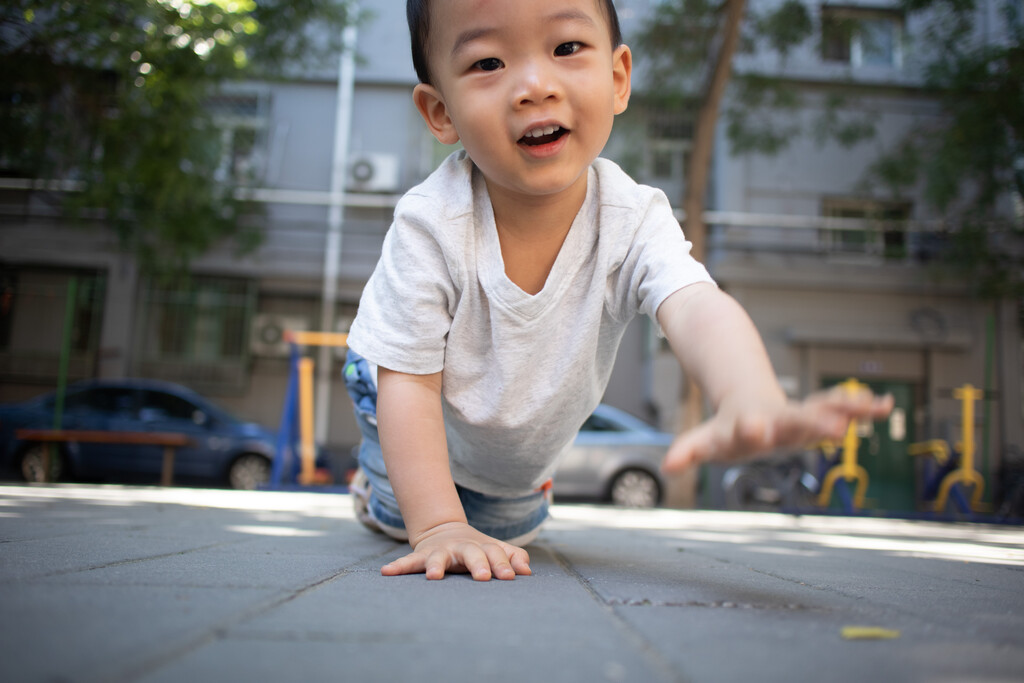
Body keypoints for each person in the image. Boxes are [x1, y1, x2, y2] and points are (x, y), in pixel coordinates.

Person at [343, 0, 893, 581]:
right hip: (404, 402)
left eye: (566, 48)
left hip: (509, 465)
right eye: (487, 63)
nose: (535, 86)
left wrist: (750, 395)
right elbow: (409, 382)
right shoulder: (431, 223)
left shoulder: (631, 218)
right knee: (406, 518)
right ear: (440, 111)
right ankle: (372, 484)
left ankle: (476, 502)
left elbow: (695, 304)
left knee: (506, 536)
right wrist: (436, 526)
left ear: (617, 78)